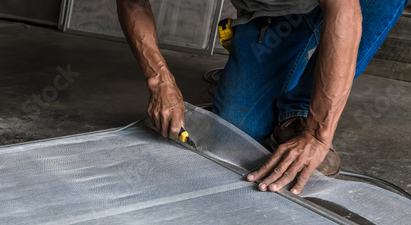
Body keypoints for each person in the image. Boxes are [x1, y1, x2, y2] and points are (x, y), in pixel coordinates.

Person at [116, 0, 409, 194]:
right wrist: (160, 80)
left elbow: (344, 12)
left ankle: (300, 112)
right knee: (236, 135)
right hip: (275, 15)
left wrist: (318, 136)